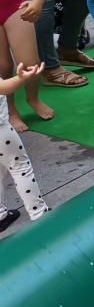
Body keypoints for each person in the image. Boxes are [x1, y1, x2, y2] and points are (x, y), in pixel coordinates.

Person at [0, 0, 52, 132]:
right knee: (3, 66)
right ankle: (10, 109)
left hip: (15, 8)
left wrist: (37, 0)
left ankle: (33, 99)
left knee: (30, 62)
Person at [0, 61, 50, 232]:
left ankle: (0, 215)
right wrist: (20, 78)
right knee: (21, 168)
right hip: (1, 132)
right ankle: (39, 213)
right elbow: (3, 87)